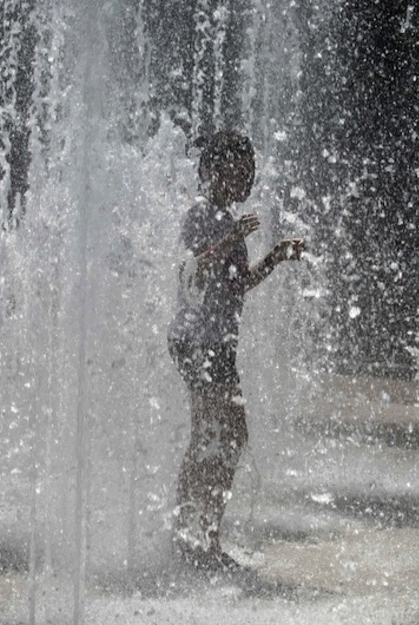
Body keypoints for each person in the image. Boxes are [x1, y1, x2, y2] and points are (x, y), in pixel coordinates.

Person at [167, 130, 304, 571]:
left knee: (229, 436)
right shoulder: (201, 214)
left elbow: (239, 282)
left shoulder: (224, 218)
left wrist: (276, 257)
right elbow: (190, 270)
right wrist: (228, 239)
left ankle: (203, 535)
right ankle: (192, 538)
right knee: (211, 435)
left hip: (214, 345)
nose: (249, 178)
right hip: (197, 343)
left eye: (252, 170)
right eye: (241, 169)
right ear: (214, 171)